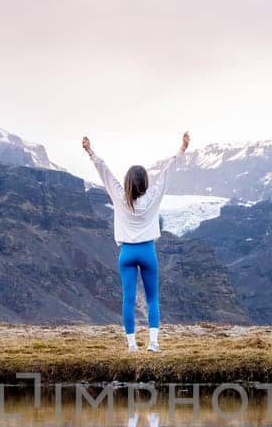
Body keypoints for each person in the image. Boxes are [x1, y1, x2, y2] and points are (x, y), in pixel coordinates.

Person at [82, 129, 191, 351]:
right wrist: (182, 149)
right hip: (147, 251)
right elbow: (168, 172)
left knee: (128, 300)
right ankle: (153, 343)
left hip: (127, 253)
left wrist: (90, 151)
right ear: (145, 183)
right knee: (152, 299)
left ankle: (132, 345)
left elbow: (105, 172)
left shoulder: (119, 197)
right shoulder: (153, 196)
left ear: (128, 182)